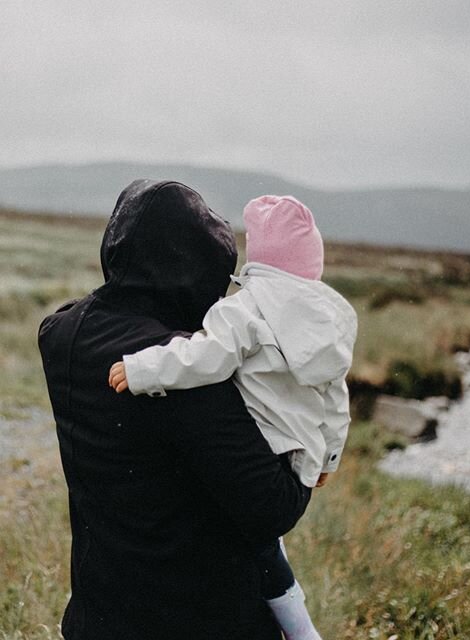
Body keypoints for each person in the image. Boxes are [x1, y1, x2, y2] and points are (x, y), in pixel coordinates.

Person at [38, 180, 311, 640]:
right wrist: (309, 449)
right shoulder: (181, 369)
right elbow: (273, 508)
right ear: (195, 272)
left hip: (98, 618)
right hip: (200, 619)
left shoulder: (61, 333)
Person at [108, 194, 358, 640]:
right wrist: (327, 461)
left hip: (257, 460)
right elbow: (335, 398)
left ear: (260, 258)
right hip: (297, 467)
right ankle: (299, 626)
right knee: (264, 547)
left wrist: (142, 369)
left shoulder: (246, 309)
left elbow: (205, 359)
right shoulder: (331, 322)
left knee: (241, 535)